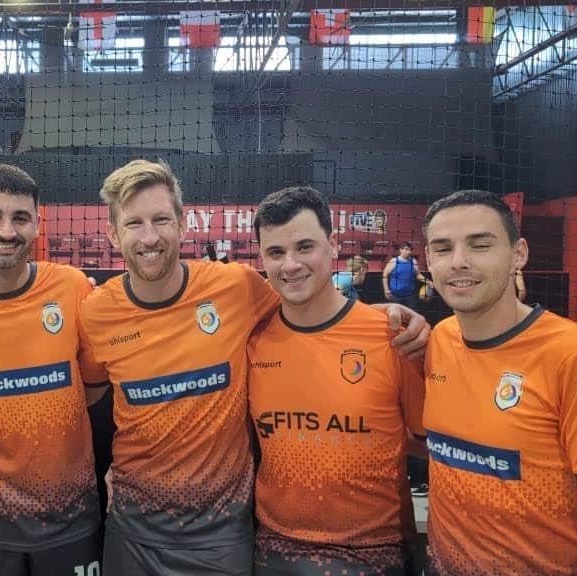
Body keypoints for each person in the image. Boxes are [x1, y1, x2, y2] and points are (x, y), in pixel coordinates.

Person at [74, 159, 429, 576]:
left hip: (223, 535)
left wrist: (376, 315)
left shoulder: (235, 286)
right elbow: (93, 395)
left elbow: (303, 300)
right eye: (134, 223)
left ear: (183, 224)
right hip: (132, 531)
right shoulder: (96, 313)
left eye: (161, 219)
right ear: (114, 233)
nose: (149, 236)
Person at [421, 190, 577, 575]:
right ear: (428, 260)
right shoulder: (439, 339)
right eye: (443, 248)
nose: (459, 262)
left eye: (480, 244)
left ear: (518, 254)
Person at [0, 164, 108, 575]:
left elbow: (93, 389)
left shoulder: (72, 287)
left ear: (37, 223)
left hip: (72, 517)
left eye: (20, 218)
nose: (7, 232)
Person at [248, 186, 426, 575]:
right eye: (275, 253)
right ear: (262, 258)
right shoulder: (252, 340)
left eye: (304, 247)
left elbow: (430, 443)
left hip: (377, 554)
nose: (290, 265)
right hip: (274, 552)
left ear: (332, 245)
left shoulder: (394, 336)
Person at [383, 242, 427, 310]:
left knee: (411, 315)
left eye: (410, 250)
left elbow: (418, 275)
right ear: (400, 250)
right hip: (395, 296)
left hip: (410, 296)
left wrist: (428, 282)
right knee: (396, 316)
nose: (409, 252)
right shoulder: (394, 261)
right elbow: (385, 275)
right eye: (406, 249)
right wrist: (386, 289)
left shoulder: (414, 261)